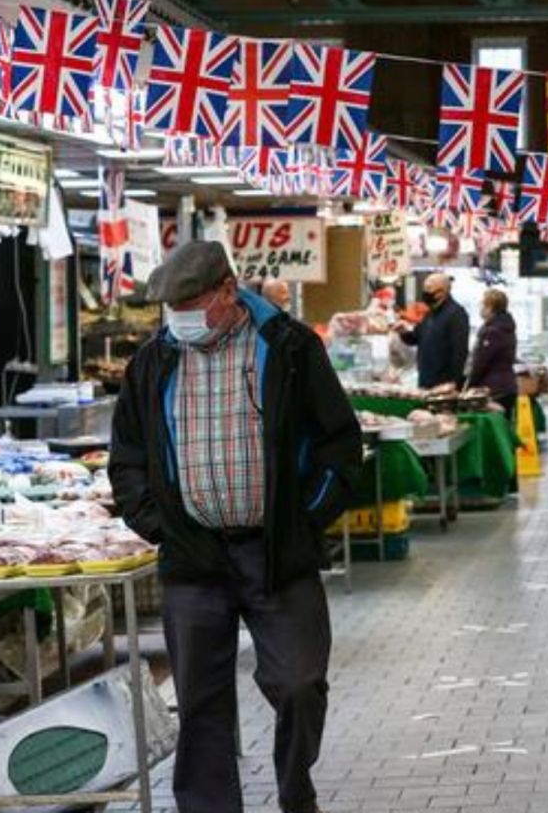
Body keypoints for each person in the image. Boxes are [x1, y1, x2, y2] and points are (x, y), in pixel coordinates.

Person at [109, 241, 361, 813]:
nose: (178, 317)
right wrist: (157, 523)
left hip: (275, 551)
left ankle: (296, 792)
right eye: (171, 308)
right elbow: (127, 455)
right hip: (193, 554)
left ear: (227, 290)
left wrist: (307, 518)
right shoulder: (153, 361)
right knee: (200, 701)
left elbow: (340, 442)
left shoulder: (289, 348)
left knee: (300, 683)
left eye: (190, 304)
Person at [398, 273, 470, 389]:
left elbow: (460, 351)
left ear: (442, 292)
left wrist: (454, 381)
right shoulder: (429, 314)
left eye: (429, 289)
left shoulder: (456, 314)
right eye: (424, 288)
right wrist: (403, 332)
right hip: (425, 379)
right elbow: (416, 338)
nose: (425, 292)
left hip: (444, 383)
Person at [467, 288, 518, 418]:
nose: (481, 308)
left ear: (490, 307)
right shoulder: (506, 327)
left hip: (494, 388)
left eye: (482, 304)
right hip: (507, 386)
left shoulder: (492, 332)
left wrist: (469, 385)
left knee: (493, 424)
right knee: (505, 424)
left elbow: (481, 362)